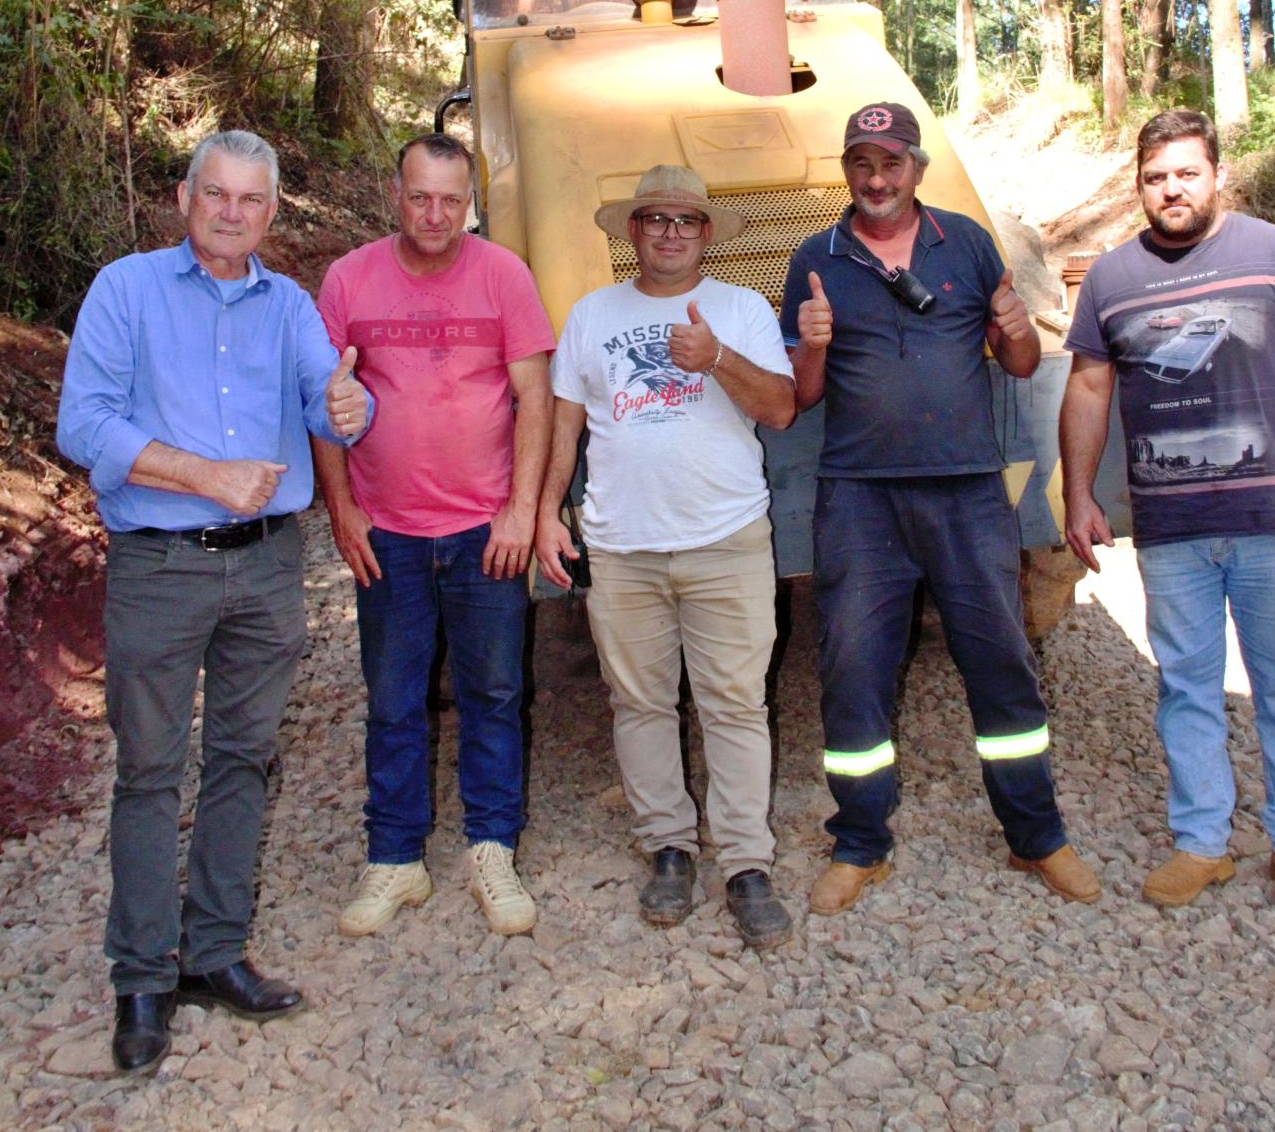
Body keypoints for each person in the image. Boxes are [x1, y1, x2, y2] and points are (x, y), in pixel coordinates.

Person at [57, 130, 371, 1076]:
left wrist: (354, 410)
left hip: (268, 566)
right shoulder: (127, 290)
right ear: (185, 198)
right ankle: (142, 976)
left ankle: (216, 954)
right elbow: (84, 423)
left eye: (251, 200)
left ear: (273, 213)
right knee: (150, 771)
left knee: (244, 760)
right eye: (216, 195)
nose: (232, 213)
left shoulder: (291, 305)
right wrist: (203, 475)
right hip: (159, 565)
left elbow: (331, 402)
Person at [780, 101, 1100, 916]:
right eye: (861, 163)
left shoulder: (966, 241)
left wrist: (1018, 327)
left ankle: (1036, 836)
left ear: (915, 168)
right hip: (859, 499)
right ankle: (860, 843)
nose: (876, 178)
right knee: (853, 670)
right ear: (846, 171)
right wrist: (811, 343)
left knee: (999, 662)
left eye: (891, 163)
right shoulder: (815, 257)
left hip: (965, 491)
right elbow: (802, 397)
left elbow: (1021, 364)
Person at [1060, 107, 1275, 913]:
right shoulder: (1111, 278)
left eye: (1186, 173)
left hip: (1269, 516)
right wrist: (1077, 491)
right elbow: (1090, 386)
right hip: (1168, 531)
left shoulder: (1274, 252)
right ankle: (1202, 842)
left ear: (1217, 175)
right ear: (1140, 186)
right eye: (1156, 177)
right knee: (1186, 687)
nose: (1171, 190)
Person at [535, 166, 797, 948]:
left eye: (687, 220)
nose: (671, 233)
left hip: (727, 540)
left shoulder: (743, 310)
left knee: (735, 705)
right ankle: (669, 849)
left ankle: (747, 864)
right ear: (633, 231)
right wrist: (549, 510)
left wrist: (716, 358)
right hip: (621, 548)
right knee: (640, 705)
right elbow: (565, 423)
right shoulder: (590, 315)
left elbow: (780, 410)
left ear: (707, 233)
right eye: (655, 219)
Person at [314, 134, 555, 941]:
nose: (435, 215)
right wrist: (342, 508)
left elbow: (535, 397)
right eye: (421, 196)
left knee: (494, 694)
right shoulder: (349, 278)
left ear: (471, 201)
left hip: (485, 530)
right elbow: (326, 400)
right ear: (396, 193)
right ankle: (395, 859)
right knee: (393, 699)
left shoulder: (503, 275)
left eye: (451, 200)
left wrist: (522, 509)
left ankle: (492, 848)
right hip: (389, 532)